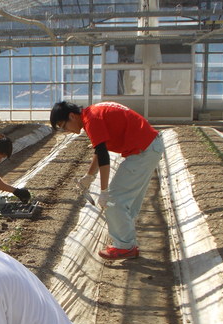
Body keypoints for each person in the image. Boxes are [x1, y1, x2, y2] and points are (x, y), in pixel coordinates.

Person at [50, 101, 164, 260]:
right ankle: (127, 242)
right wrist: (89, 177)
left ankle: (125, 246)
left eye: (64, 125)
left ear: (71, 116)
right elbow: (99, 149)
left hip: (143, 151)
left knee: (113, 200)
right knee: (127, 202)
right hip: (148, 147)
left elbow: (104, 156)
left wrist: (104, 192)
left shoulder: (92, 119)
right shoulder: (92, 114)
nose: (66, 130)